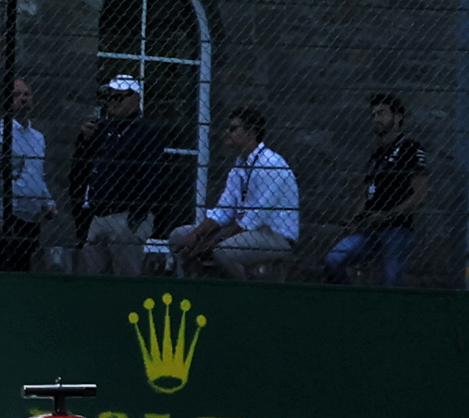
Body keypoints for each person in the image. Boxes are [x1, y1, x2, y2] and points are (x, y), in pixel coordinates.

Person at [168, 105, 300, 278]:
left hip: (274, 234)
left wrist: (216, 241)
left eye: (233, 128)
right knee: (178, 237)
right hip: (246, 230)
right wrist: (197, 234)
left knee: (223, 251)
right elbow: (224, 209)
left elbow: (255, 218)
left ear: (250, 133)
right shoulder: (240, 165)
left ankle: (242, 295)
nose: (226, 132)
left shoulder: (271, 164)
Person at [74, 73, 183, 272]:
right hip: (99, 213)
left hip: (125, 214)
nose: (111, 103)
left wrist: (136, 216)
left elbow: (156, 178)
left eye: (118, 97)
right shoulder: (104, 129)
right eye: (109, 97)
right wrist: (85, 140)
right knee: (89, 273)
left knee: (125, 273)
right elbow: (83, 166)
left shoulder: (145, 133)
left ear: (135, 99)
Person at [323, 93, 428, 288]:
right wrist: (355, 219)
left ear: (398, 117)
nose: (376, 120)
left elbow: (421, 195)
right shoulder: (377, 153)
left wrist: (388, 215)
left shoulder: (411, 149)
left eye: (381, 114)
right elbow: (366, 193)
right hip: (370, 228)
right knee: (333, 260)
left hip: (397, 228)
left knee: (390, 281)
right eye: (373, 115)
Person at [0, 75, 55, 272]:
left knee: (23, 269)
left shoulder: (38, 138)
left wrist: (47, 202)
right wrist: (1, 216)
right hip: (2, 219)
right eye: (16, 95)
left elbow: (37, 174)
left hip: (29, 219)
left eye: (26, 94)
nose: (23, 99)